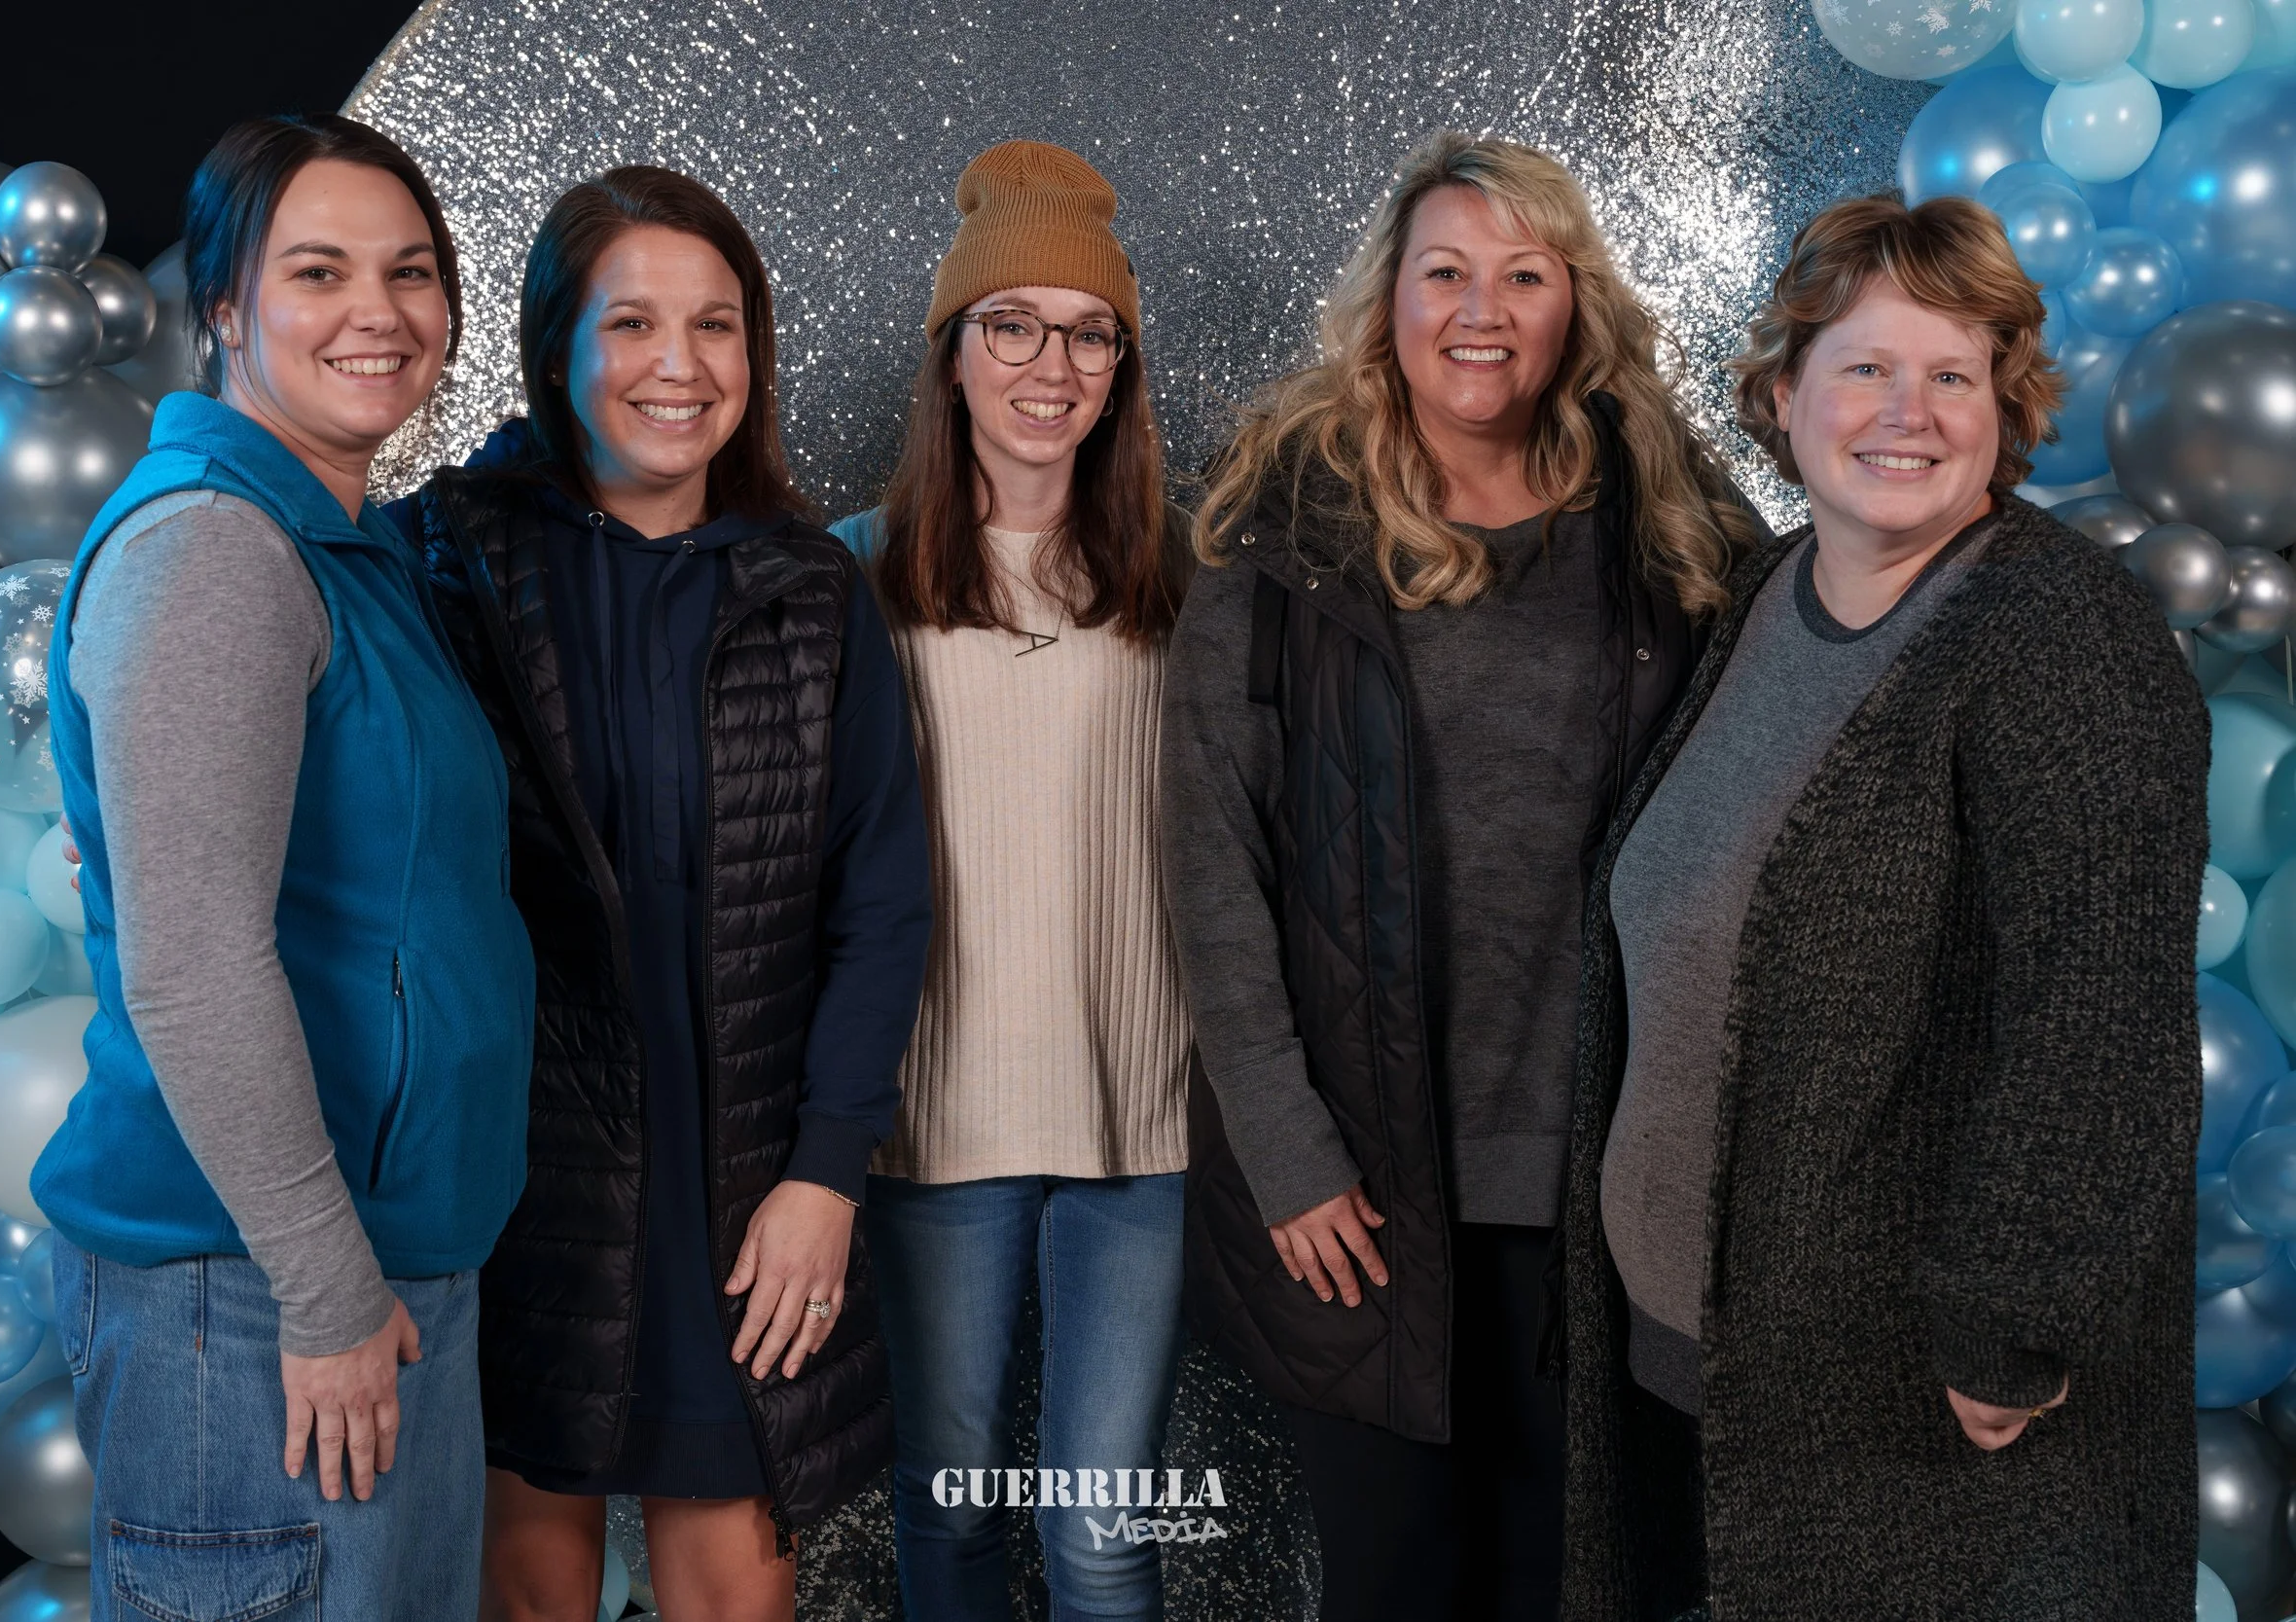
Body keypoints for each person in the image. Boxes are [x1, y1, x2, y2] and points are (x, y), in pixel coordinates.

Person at [1559, 193, 2206, 1620]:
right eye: (1864, 367)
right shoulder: (1768, 592)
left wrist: (2012, 1321)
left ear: (2004, 407)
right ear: (1785, 395)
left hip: (1917, 1417)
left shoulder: (2058, 635)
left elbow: (2103, 1007)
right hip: (1699, 1369)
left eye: (1953, 374)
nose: (1906, 410)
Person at [1161, 129, 1763, 1622]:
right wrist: (1290, 1147)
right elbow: (1209, 855)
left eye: (1522, 273)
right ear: (1389, 303)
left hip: (1598, 1172)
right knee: (1399, 1583)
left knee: (1579, 1581)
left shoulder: (1664, 517)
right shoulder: (1280, 528)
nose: (1478, 308)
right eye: (1444, 271)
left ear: (1576, 309)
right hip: (1360, 1180)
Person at [387, 165, 931, 1622]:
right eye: (631, 323)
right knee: (528, 1582)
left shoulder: (811, 591)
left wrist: (825, 1174)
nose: (679, 366)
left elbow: (883, 904)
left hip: (751, 1170)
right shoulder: (444, 559)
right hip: (527, 1169)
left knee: (733, 1591)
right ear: (556, 345)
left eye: (717, 324)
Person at [33, 114, 533, 1621]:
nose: (378, 312)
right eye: (319, 271)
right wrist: (321, 1286)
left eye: (412, 271)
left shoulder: (337, 544)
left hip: (354, 1275)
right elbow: (188, 967)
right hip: (254, 1291)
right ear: (228, 311)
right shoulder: (216, 551)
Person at [831, 140, 1195, 1621]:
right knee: (951, 1510)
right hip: (933, 1118)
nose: (1054, 364)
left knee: (1104, 1536)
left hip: (1140, 1122)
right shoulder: (858, 576)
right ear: (954, 355)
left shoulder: (1183, 584)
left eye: (1090, 331)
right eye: (1013, 325)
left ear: (1120, 366)